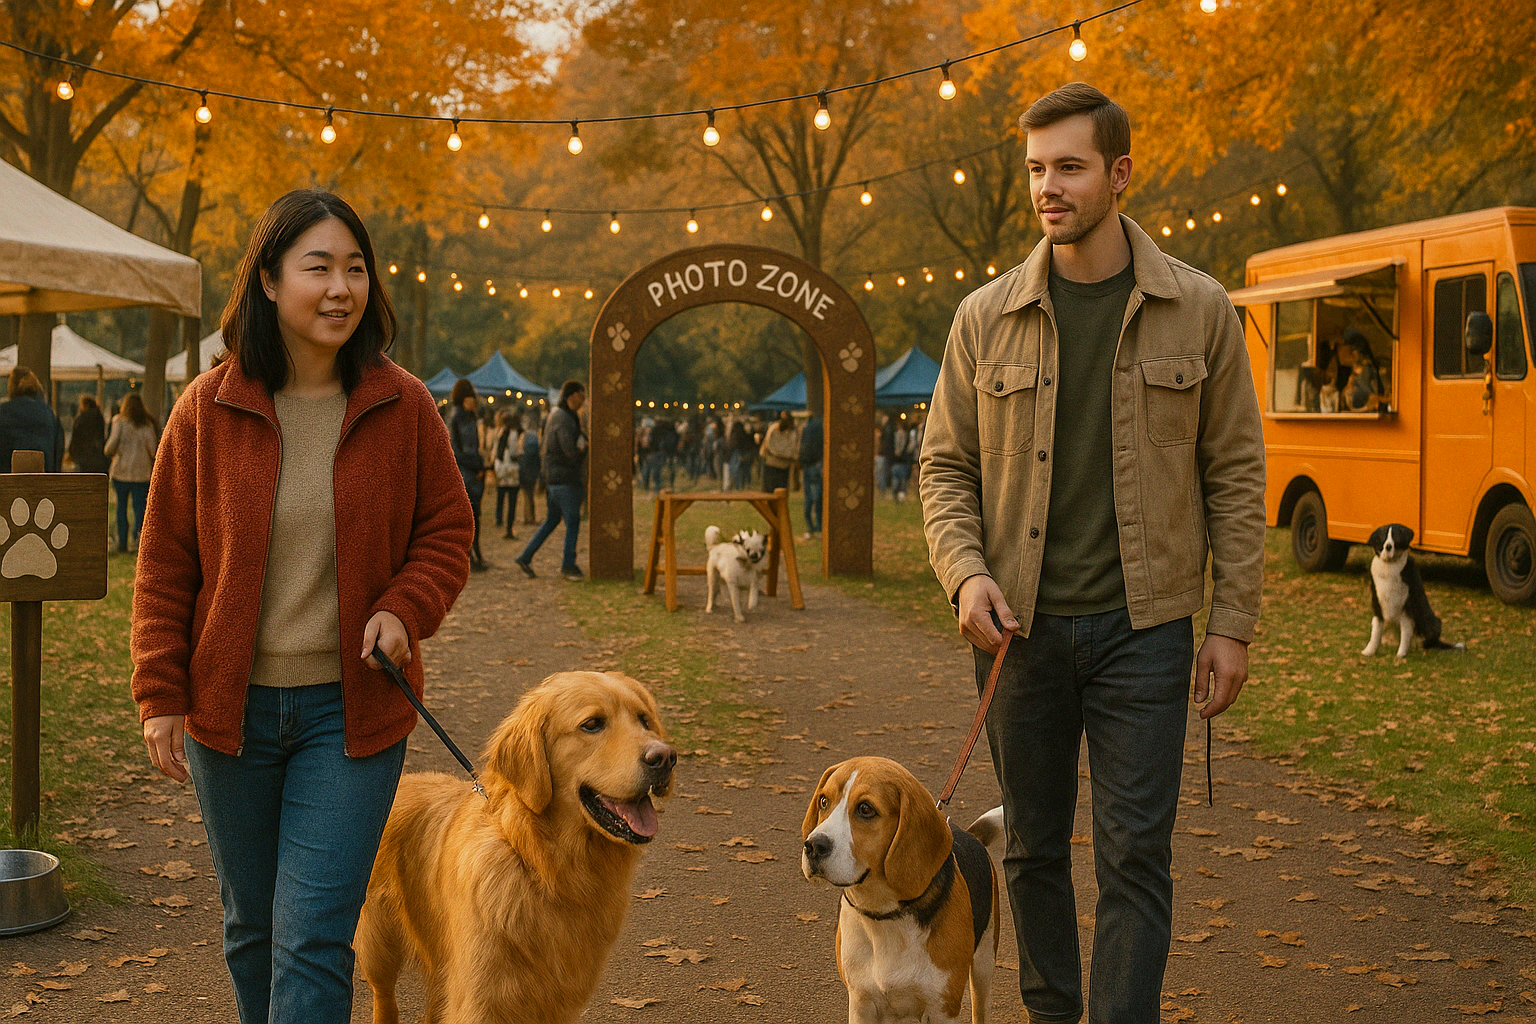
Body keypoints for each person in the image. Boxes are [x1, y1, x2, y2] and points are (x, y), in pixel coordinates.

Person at [919, 83, 1265, 1024]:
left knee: (1134, 859)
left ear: (1119, 173)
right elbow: (944, 470)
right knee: (1030, 849)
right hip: (1016, 632)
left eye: (1068, 168)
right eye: (1035, 169)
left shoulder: (1198, 309)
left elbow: (1236, 474)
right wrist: (968, 573)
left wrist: (1231, 625)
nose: (1047, 188)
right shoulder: (982, 318)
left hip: (1145, 633)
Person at [129, 189, 473, 1024]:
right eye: (318, 267)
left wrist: (404, 605)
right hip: (229, 717)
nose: (340, 288)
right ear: (270, 282)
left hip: (349, 717)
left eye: (355, 269)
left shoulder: (405, 406)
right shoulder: (204, 411)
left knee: (314, 935)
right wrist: (159, 694)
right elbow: (166, 563)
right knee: (252, 929)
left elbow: (447, 531)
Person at [515, 380, 587, 581]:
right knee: (572, 520)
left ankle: (526, 556)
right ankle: (568, 565)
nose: (583, 400)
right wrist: (582, 450)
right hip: (564, 478)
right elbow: (568, 450)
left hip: (554, 478)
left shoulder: (559, 415)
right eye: (582, 395)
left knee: (552, 520)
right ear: (572, 396)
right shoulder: (563, 418)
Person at [103, 393, 159, 552]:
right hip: (141, 474)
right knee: (139, 508)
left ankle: (121, 541)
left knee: (121, 507)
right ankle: (138, 540)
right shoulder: (147, 425)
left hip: (121, 472)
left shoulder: (119, 422)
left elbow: (110, 447)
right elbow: (154, 450)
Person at [448, 378, 488, 571]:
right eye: (472, 397)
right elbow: (455, 449)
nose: (475, 401)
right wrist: (475, 464)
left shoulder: (470, 418)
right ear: (465, 398)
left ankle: (477, 554)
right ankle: (470, 558)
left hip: (473, 472)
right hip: (465, 473)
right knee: (470, 518)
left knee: (476, 517)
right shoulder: (456, 418)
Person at [0, 367, 64, 472]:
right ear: (36, 387)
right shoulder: (48, 414)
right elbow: (58, 453)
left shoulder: (2, 412)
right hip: (42, 483)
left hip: (6, 484)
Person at [492, 409, 522, 539]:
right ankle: (509, 528)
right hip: (512, 471)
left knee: (500, 496)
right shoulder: (513, 434)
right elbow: (514, 452)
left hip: (501, 470)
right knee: (512, 502)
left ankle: (499, 518)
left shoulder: (500, 432)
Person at [759, 409, 799, 494]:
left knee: (772, 492)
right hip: (780, 464)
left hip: (773, 463)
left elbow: (768, 445)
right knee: (777, 492)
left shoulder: (775, 428)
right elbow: (792, 449)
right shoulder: (790, 431)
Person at [68, 393, 109, 474]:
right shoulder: (99, 417)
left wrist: (71, 452)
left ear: (86, 405)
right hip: (98, 456)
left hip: (83, 456)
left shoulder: (80, 419)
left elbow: (75, 438)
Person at [798, 412, 823, 540]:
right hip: (816, 463)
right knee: (817, 497)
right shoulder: (819, 426)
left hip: (808, 463)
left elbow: (804, 447)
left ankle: (810, 527)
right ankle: (819, 526)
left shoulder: (807, 427)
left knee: (809, 497)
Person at [518, 411, 541, 525]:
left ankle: (528, 517)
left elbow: (519, 451)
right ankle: (531, 516)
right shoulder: (536, 436)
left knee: (527, 495)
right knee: (530, 495)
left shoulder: (524, 436)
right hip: (533, 468)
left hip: (524, 467)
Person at [889, 416, 913, 501]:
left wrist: (897, 453)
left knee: (898, 478)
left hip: (899, 460)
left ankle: (897, 494)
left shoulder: (900, 434)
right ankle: (899, 494)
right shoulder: (905, 434)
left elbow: (900, 446)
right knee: (901, 479)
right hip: (902, 461)